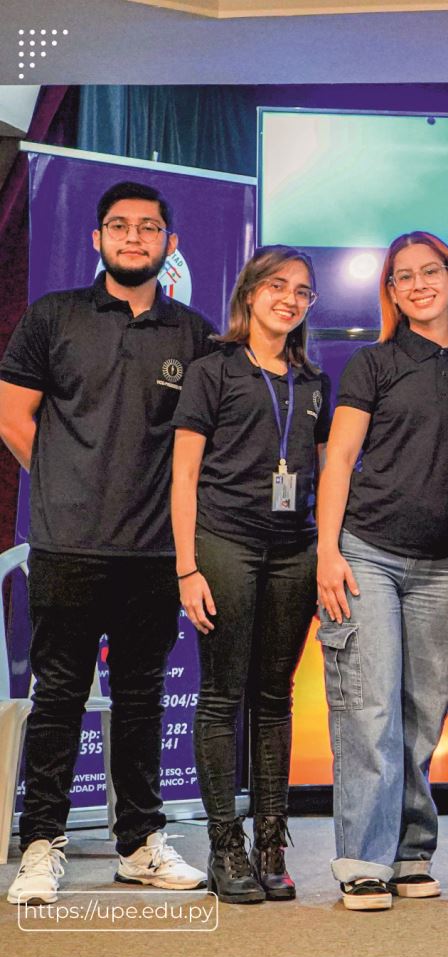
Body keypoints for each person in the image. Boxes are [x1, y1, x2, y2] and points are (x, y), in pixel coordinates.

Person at [0, 181, 214, 904]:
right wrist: (65, 485)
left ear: (169, 245)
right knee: (58, 695)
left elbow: (203, 449)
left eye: (147, 228)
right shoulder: (52, 316)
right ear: (97, 239)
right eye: (118, 227)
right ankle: (40, 845)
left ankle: (141, 844)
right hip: (67, 547)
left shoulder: (195, 333)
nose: (132, 238)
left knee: (143, 698)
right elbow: (11, 415)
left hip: (156, 553)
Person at [316, 231, 448, 911]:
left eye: (429, 273)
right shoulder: (374, 364)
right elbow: (340, 461)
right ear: (391, 291)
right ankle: (363, 858)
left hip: (446, 565)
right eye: (402, 277)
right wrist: (327, 551)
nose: (417, 285)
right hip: (368, 554)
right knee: (370, 709)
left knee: (421, 713)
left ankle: (411, 850)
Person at [171, 246, 330, 904]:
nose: (289, 299)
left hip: (294, 549)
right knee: (222, 697)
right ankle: (225, 845)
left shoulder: (314, 383)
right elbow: (182, 475)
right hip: (225, 543)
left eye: (302, 291)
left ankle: (271, 844)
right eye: (277, 286)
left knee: (274, 699)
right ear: (250, 293)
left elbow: (327, 475)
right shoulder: (214, 370)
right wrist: (186, 568)